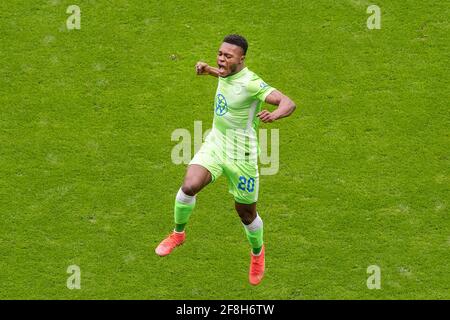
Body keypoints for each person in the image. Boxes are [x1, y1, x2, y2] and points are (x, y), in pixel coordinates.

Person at [155, 34, 296, 286]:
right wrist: (208, 69)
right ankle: (178, 234)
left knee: (246, 213)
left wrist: (274, 116)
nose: (221, 58)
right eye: (219, 54)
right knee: (189, 185)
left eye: (227, 56)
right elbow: (225, 78)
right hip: (216, 145)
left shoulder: (252, 83)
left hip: (242, 156)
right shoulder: (227, 72)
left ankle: (257, 254)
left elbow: (288, 102)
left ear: (241, 59)